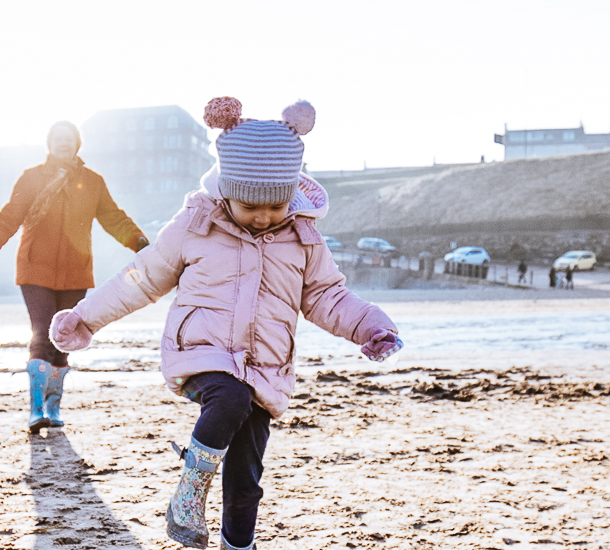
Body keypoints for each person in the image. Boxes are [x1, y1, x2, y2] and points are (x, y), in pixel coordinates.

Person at [48, 98, 403, 550]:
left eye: (274, 207)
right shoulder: (197, 224)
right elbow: (143, 277)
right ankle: (188, 496)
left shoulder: (303, 237)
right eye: (250, 205)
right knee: (230, 397)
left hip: (266, 366)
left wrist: (370, 325)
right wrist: (86, 316)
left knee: (246, 476)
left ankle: (239, 544)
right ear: (226, 190)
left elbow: (326, 295)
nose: (263, 216)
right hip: (202, 352)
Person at [0, 121, 150, 431]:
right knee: (41, 334)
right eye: (58, 138)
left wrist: (140, 243)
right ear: (49, 143)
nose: (63, 143)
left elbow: (113, 218)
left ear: (77, 144)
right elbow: (9, 218)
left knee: (63, 338)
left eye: (69, 139)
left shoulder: (92, 182)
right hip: (35, 270)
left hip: (75, 272)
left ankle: (54, 407)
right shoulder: (32, 178)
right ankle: (36, 409)